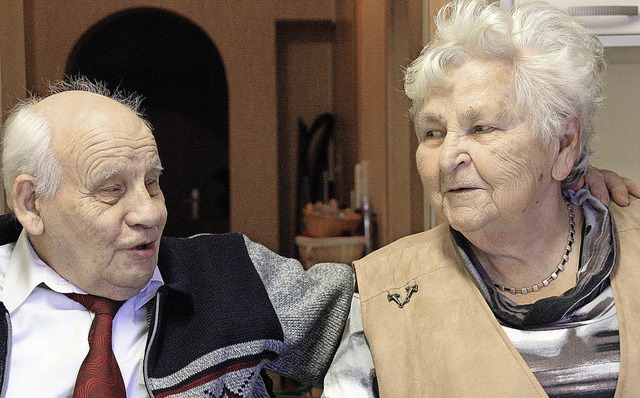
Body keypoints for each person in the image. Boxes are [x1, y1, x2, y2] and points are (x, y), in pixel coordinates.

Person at [322, 0, 640, 397]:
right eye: (432, 133)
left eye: (481, 127)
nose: (447, 159)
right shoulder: (383, 294)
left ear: (563, 144)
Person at [0, 76, 354, 397]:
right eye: (111, 189)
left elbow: (377, 312)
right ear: (31, 204)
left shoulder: (228, 275)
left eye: (152, 183)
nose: (150, 213)